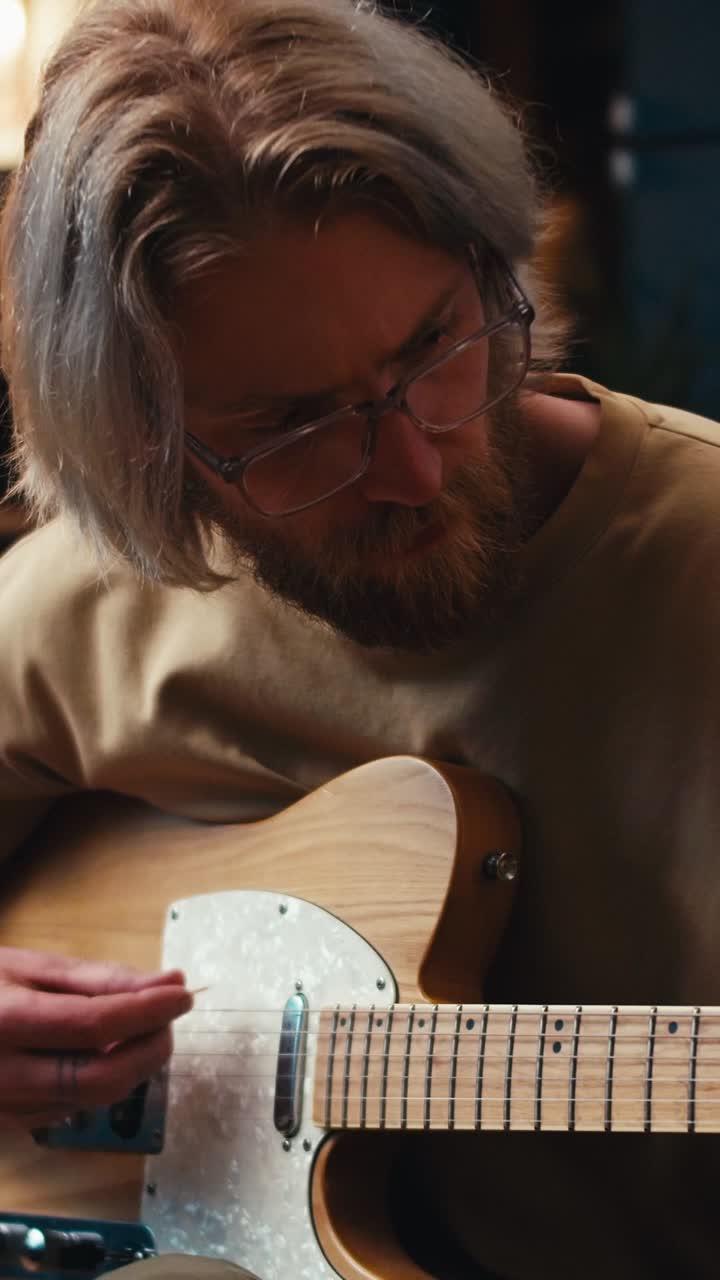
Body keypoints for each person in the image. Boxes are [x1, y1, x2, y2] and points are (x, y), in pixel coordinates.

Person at [0, 0, 719, 1276]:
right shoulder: (81, 604)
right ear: (147, 449)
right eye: (290, 427)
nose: (411, 463)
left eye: (435, 344)